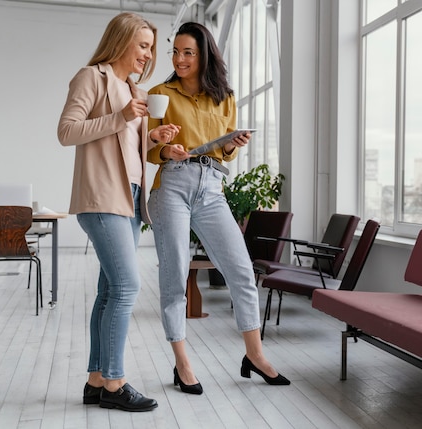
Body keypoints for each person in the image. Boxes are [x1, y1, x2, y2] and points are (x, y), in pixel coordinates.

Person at [146, 22, 290, 395]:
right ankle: (183, 363)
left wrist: (231, 145)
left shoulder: (223, 96)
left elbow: (227, 149)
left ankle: (255, 355)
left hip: (212, 188)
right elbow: (147, 150)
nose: (179, 59)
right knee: (175, 276)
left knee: (241, 271)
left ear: (204, 54)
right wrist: (166, 149)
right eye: (175, 52)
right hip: (172, 185)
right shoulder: (159, 94)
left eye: (187, 52)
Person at [57, 12, 180, 411]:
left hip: (129, 196)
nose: (148, 55)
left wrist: (154, 139)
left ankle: (96, 381)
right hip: (101, 197)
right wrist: (120, 118)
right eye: (142, 45)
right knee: (127, 288)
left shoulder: (134, 89)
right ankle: (115, 382)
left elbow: (125, 149)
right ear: (122, 41)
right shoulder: (91, 77)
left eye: (150, 47)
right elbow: (67, 131)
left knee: (110, 290)